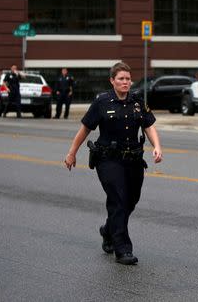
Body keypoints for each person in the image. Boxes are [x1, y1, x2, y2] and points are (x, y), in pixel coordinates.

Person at [64, 62, 163, 265]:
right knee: (118, 199)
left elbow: (149, 125)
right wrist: (72, 153)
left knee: (130, 201)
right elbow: (85, 129)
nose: (125, 82)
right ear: (112, 81)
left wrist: (157, 146)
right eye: (121, 79)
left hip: (133, 160)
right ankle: (123, 249)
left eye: (128, 78)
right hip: (108, 160)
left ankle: (108, 230)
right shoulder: (102, 101)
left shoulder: (136, 101)